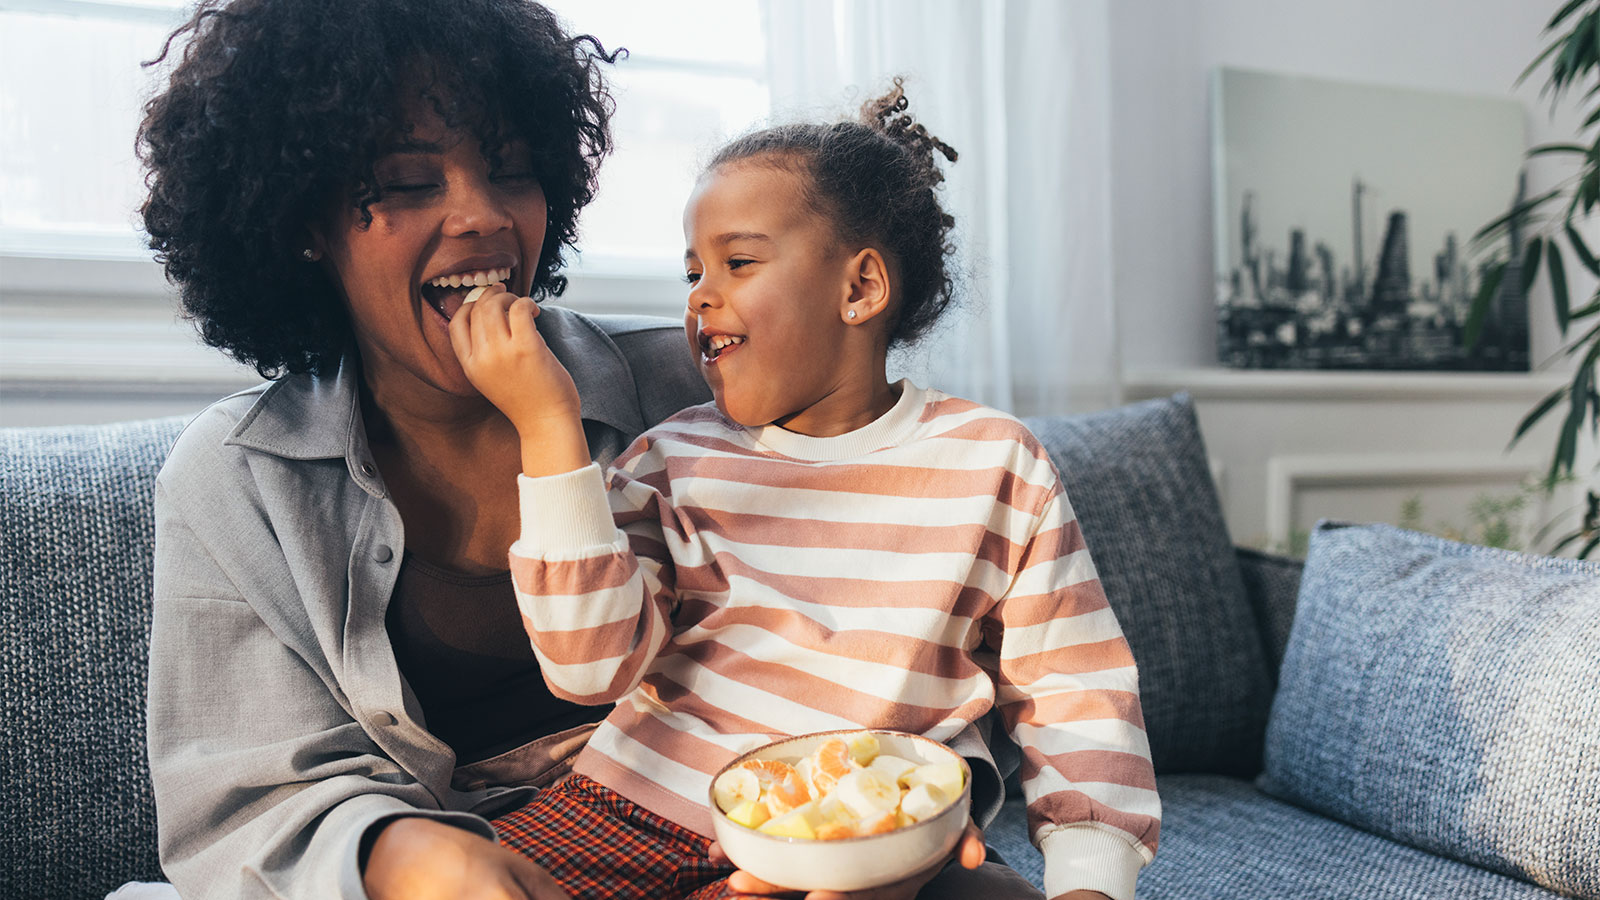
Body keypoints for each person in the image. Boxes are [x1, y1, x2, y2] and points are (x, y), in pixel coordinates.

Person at [451, 81, 1162, 900]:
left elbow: (1077, 692)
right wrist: (547, 430)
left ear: (859, 289)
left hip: (869, 847)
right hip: (630, 812)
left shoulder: (997, 463)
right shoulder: (669, 460)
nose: (700, 297)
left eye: (738, 262)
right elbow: (587, 670)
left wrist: (1090, 883)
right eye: (693, 272)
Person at [137, 1, 709, 898]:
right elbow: (246, 802)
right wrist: (410, 856)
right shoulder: (239, 478)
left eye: (512, 169)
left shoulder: (688, 388)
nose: (481, 215)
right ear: (303, 224)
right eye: (406, 182)